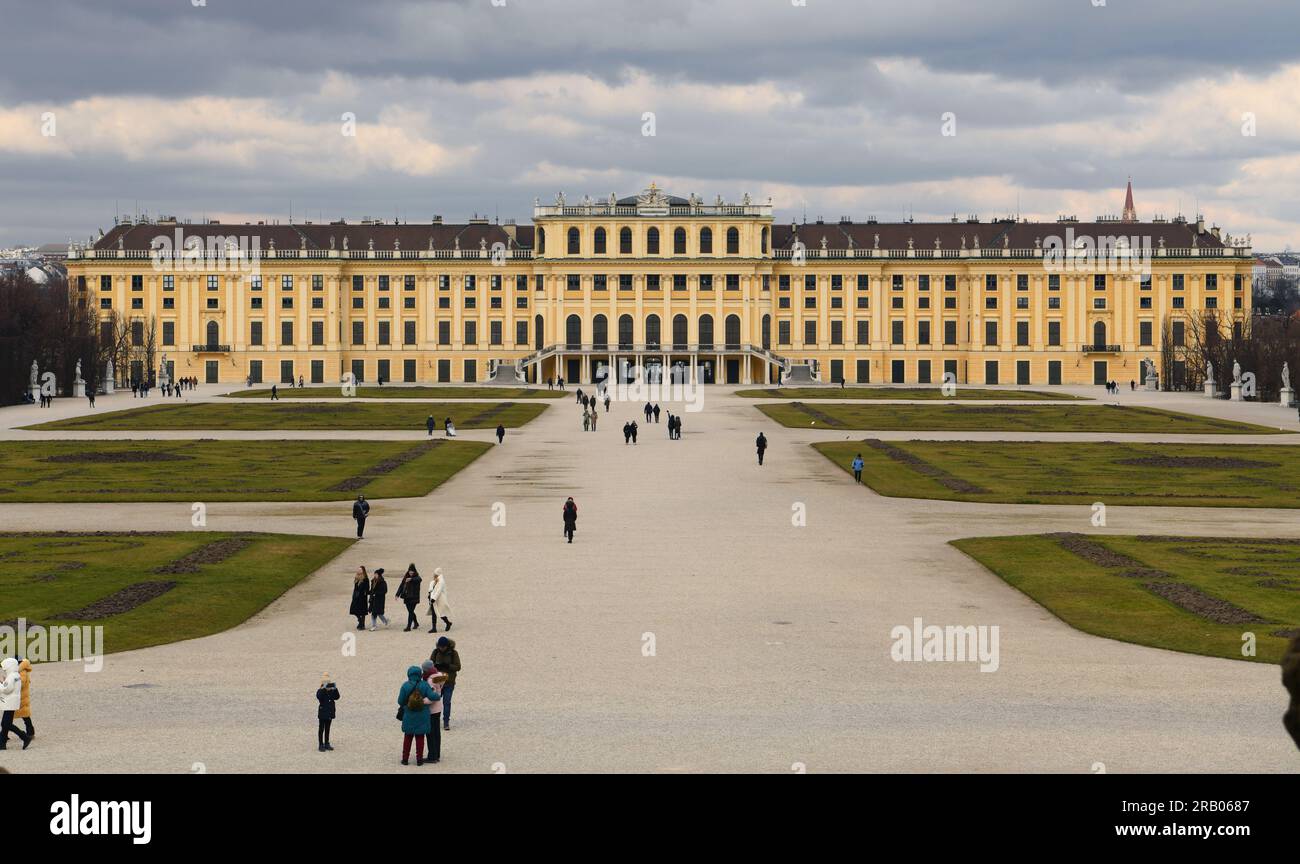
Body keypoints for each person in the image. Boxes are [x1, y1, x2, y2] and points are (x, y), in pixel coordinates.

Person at [396, 665, 437, 766]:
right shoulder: (424, 685)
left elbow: (400, 701)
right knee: (420, 738)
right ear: (420, 674)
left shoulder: (405, 685)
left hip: (409, 715)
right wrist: (437, 694)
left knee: (408, 737)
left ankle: (405, 759)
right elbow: (433, 696)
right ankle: (419, 759)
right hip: (422, 716)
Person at [419, 661, 446, 763]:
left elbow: (432, 697)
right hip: (438, 708)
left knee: (430, 734)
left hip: (432, 709)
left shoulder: (430, 680)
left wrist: (422, 701)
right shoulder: (439, 676)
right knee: (437, 733)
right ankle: (437, 754)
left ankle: (432, 756)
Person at [431, 636, 460, 731]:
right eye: (440, 646)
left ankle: (446, 722)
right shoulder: (435, 652)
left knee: (446, 702)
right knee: (435, 701)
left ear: (447, 646)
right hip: (438, 682)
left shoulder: (453, 653)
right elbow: (430, 664)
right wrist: (435, 666)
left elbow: (458, 667)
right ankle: (434, 721)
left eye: (443, 647)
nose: (441, 648)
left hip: (449, 682)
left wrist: (447, 666)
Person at [0, 657, 29, 750]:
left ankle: (24, 737)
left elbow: (6, 689)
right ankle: (2, 743)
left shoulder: (12, 676)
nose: (4, 669)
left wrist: (0, 683)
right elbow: (8, 686)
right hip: (12, 701)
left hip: (10, 702)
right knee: (4, 723)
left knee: (7, 724)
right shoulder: (16, 675)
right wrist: (4, 682)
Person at [426, 567, 453, 633]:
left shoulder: (441, 581)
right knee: (434, 614)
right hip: (433, 600)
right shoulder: (434, 581)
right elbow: (432, 589)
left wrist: (433, 598)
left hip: (440, 600)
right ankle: (434, 628)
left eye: (435, 574)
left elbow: (438, 591)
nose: (434, 575)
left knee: (441, 613)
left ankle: (448, 623)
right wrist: (430, 595)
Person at [316, 675, 339, 752]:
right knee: (321, 729)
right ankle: (320, 744)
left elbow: (337, 697)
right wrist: (323, 689)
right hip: (323, 713)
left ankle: (326, 743)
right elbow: (319, 697)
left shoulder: (332, 691)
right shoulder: (320, 691)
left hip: (329, 713)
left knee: (327, 729)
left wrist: (335, 689)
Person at [396, 564, 422, 631]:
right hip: (407, 597)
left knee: (410, 611)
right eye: (410, 571)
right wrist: (397, 594)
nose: (411, 572)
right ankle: (416, 623)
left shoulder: (416, 577)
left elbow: (419, 579)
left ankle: (408, 627)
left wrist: (411, 579)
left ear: (414, 571)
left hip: (414, 598)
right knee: (411, 611)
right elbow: (401, 586)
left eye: (412, 571)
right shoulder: (405, 577)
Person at [14, 658, 32, 743]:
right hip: (20, 697)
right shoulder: (19, 671)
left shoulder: (22, 672)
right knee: (25, 716)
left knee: (25, 716)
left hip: (21, 697)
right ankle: (4, 734)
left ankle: (30, 733)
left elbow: (21, 683)